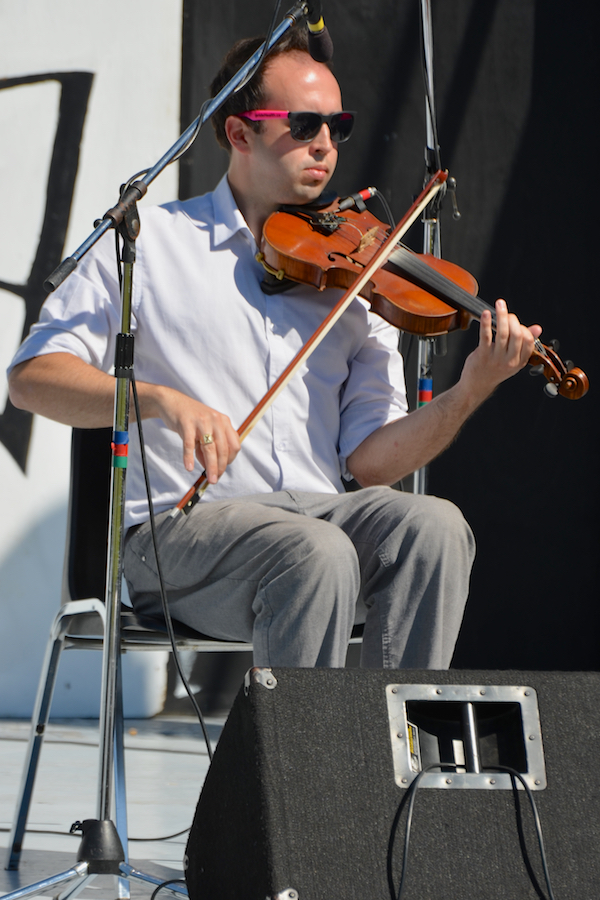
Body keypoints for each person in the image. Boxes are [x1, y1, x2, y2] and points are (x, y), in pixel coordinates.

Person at [7, 28, 541, 670]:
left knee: (436, 529)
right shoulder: (151, 246)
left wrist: (469, 393)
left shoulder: (357, 279)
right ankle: (298, 767)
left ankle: (385, 752)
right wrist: (158, 401)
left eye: (336, 126)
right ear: (239, 133)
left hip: (318, 521)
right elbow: (32, 378)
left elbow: (371, 465)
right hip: (179, 534)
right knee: (316, 551)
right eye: (304, 123)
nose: (326, 144)